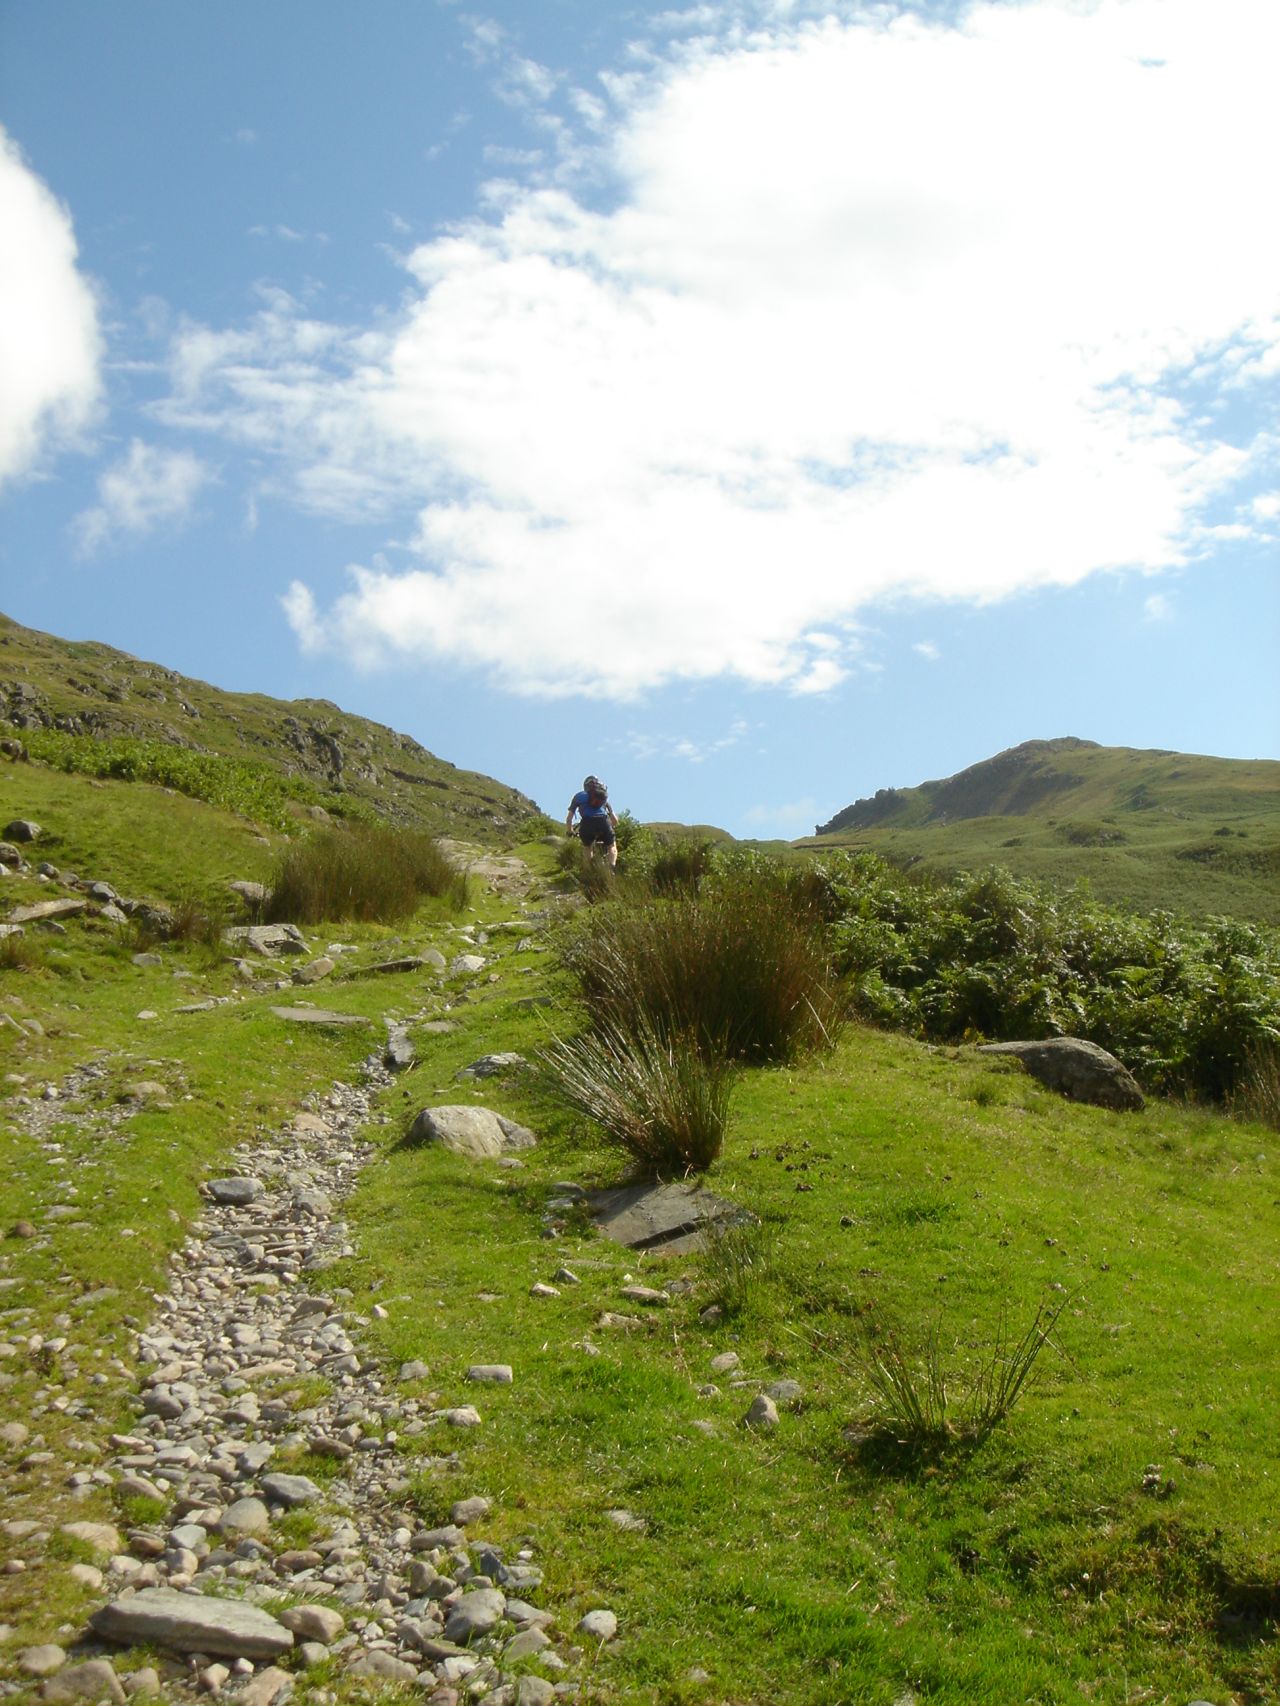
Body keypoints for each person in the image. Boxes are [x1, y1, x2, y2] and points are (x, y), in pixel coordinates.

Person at [565, 774, 618, 868]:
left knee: (587, 848)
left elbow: (569, 819)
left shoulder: (579, 796)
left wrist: (570, 831)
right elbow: (615, 820)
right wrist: (611, 828)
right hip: (603, 821)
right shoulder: (603, 797)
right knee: (611, 846)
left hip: (587, 823)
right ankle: (611, 868)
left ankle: (588, 870)